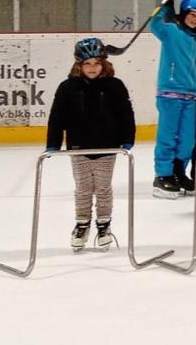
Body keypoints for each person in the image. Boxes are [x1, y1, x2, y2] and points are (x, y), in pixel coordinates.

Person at [46, 38, 136, 252]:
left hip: (107, 146)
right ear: (79, 65)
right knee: (83, 188)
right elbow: (57, 116)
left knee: (103, 188)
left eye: (96, 63)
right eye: (87, 64)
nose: (92, 68)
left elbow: (125, 113)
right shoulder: (67, 87)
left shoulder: (115, 85)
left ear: (104, 64)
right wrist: (53, 143)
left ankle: (104, 225)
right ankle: (82, 224)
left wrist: (127, 138)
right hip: (80, 147)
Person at [150, 0, 196, 198]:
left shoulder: (195, 37)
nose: (195, 19)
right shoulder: (171, 30)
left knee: (187, 139)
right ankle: (162, 175)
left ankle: (178, 171)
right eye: (192, 15)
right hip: (169, 92)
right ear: (183, 14)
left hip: (191, 93)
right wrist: (165, 3)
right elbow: (154, 24)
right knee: (168, 136)